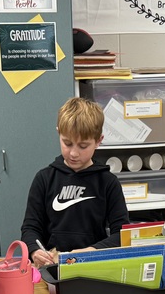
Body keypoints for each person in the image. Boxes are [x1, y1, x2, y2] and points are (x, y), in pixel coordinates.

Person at [21, 97, 130, 267]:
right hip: (52, 268)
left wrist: (92, 251)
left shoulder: (108, 183)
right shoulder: (44, 179)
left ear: (98, 141)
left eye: (83, 146)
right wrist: (35, 250)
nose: (73, 153)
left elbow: (122, 234)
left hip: (93, 265)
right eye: (67, 143)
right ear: (59, 133)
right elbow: (30, 228)